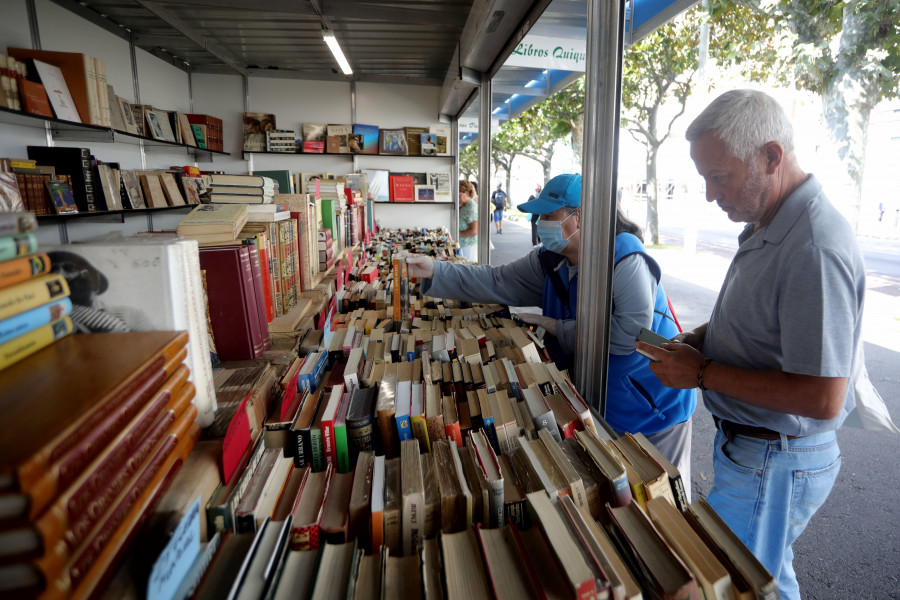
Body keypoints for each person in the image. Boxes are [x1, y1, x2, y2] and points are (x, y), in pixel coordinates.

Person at [637, 90, 865, 600]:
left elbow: (823, 396)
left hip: (776, 457)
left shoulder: (813, 245)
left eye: (720, 176)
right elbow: (766, 327)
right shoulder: (768, 217)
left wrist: (700, 373)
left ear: (771, 157)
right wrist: (701, 340)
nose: (711, 195)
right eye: (704, 178)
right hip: (759, 450)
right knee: (765, 581)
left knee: (728, 584)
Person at [405, 173, 696, 479]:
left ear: (580, 216)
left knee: (664, 498)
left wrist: (558, 328)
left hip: (654, 406)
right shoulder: (550, 260)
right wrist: (434, 270)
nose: (539, 223)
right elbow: (495, 281)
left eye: (548, 215)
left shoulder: (625, 255)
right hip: (597, 402)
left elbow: (628, 334)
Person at [457, 179, 479, 261]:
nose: (457, 197)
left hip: (468, 246)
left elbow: (474, 231)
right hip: (463, 245)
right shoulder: (463, 206)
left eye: (458, 194)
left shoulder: (471, 207)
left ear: (466, 193)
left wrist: (458, 234)